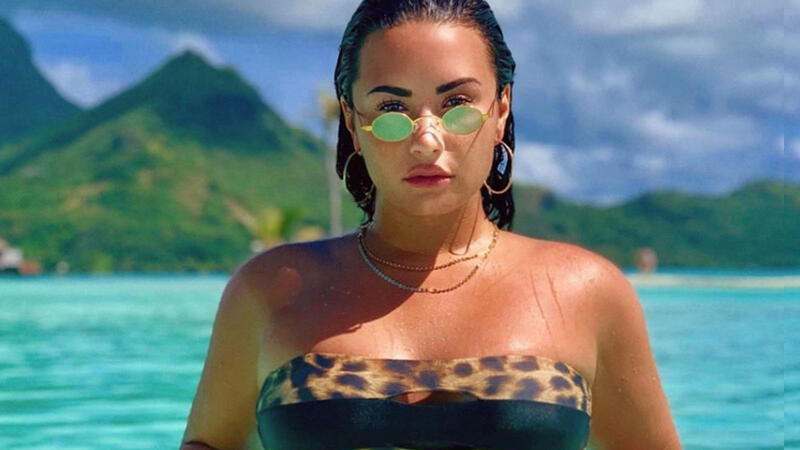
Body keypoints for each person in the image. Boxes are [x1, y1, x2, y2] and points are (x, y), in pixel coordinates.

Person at [181, 1, 681, 449]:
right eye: (391, 109)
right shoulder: (271, 289)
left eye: (457, 105)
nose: (426, 140)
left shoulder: (584, 292)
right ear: (353, 122)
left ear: (501, 109)